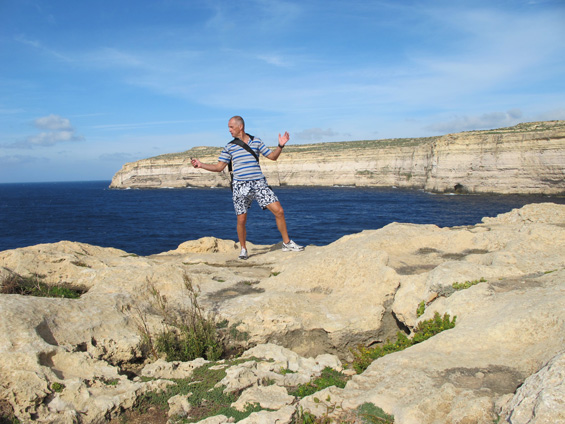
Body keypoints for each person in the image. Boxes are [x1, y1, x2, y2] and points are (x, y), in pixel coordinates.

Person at [191, 116, 304, 259]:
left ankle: (286, 243)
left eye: (231, 127)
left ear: (240, 127)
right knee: (241, 220)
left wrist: (280, 146)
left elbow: (272, 157)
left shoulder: (256, 141)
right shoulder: (229, 147)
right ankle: (243, 249)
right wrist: (201, 165)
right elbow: (219, 167)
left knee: (279, 211)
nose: (229, 130)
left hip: (259, 183)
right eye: (229, 127)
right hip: (240, 185)